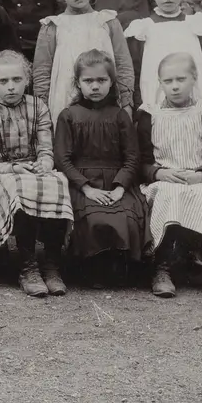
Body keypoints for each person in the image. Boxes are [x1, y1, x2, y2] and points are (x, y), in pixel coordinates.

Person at [138, 52, 202, 302]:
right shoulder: (150, 114)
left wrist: (201, 175)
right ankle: (162, 267)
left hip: (201, 180)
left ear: (194, 79)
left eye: (181, 79)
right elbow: (140, 162)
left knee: (197, 194)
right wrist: (158, 172)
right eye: (168, 81)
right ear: (160, 83)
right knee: (170, 194)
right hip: (164, 180)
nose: (174, 86)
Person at [0, 50, 73, 298]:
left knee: (58, 182)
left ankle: (51, 263)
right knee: (20, 187)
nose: (11, 86)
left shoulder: (38, 106)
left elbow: (46, 148)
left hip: (32, 168)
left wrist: (45, 163)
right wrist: (11, 168)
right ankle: (28, 266)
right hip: (0, 173)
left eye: (17, 79)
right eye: (3, 81)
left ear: (27, 80)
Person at [52, 49, 146, 287]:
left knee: (126, 214)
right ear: (78, 83)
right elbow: (62, 159)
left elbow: (132, 156)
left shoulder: (120, 116)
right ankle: (92, 269)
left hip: (117, 180)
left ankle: (120, 268)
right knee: (92, 216)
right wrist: (86, 188)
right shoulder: (68, 116)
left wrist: (120, 188)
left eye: (102, 80)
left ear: (111, 82)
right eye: (88, 81)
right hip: (81, 182)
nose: (95, 86)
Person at [32, 0, 135, 124]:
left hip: (106, 101)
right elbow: (42, 72)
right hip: (64, 99)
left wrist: (126, 103)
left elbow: (123, 65)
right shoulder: (52, 26)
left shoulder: (107, 21)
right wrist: (42, 109)